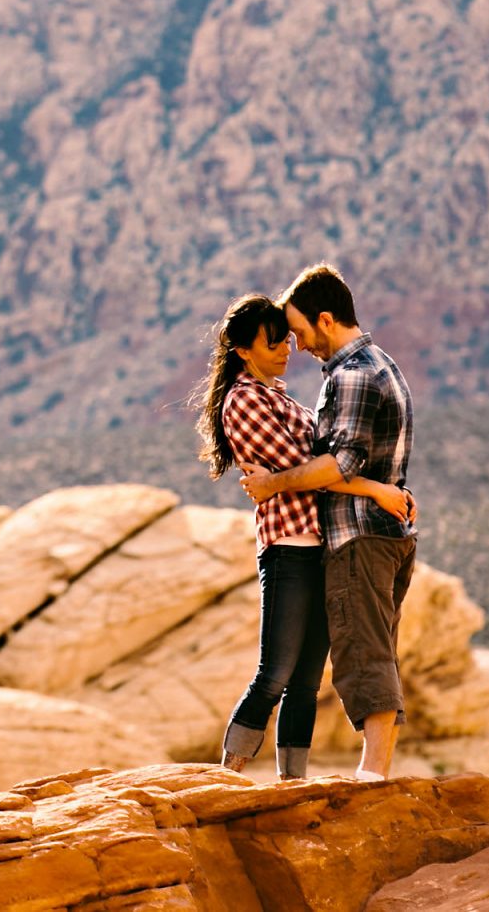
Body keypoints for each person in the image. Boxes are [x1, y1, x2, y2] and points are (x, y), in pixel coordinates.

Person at [193, 292, 413, 779]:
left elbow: (318, 464)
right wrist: (378, 489)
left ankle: (292, 784)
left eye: (286, 339)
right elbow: (305, 468)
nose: (285, 349)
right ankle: (227, 777)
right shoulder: (244, 401)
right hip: (289, 547)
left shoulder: (279, 396)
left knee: (307, 682)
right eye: (272, 342)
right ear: (242, 350)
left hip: (321, 548)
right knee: (275, 673)